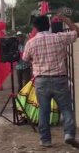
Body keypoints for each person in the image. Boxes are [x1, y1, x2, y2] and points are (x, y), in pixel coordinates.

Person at [23, 15, 79, 148]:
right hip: (59, 78)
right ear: (49, 25)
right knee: (66, 108)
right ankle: (69, 134)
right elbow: (77, 32)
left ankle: (45, 140)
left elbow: (25, 59)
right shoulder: (59, 37)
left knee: (44, 110)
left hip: (41, 80)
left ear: (35, 27)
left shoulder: (31, 42)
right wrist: (67, 21)